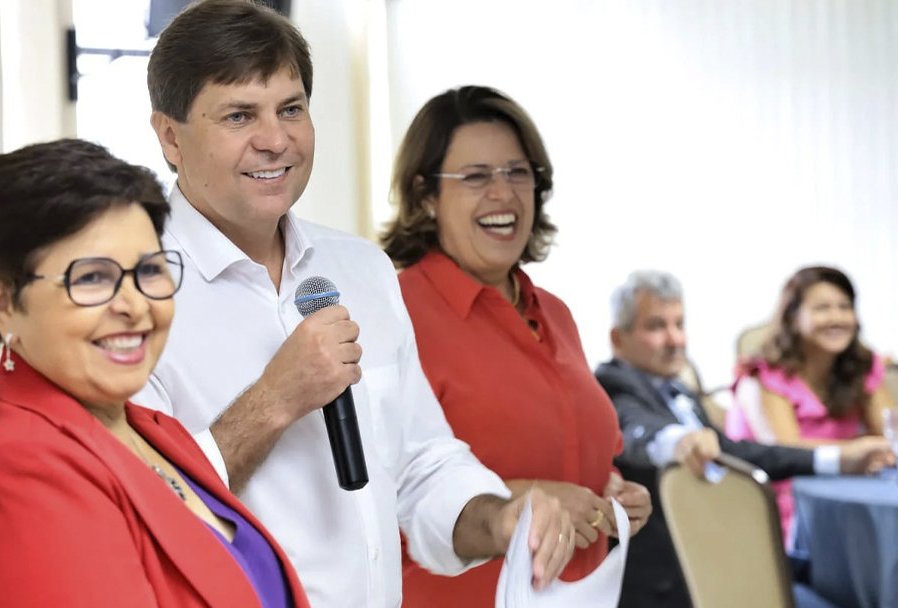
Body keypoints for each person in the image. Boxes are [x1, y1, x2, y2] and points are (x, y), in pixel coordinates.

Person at [137, 2, 575, 608]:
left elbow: (421, 462)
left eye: (291, 109)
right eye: (240, 115)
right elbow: (142, 506)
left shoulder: (360, 269)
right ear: (169, 136)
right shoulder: (133, 293)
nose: (275, 140)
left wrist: (499, 517)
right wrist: (274, 401)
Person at [0, 139, 312, 608]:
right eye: (91, 278)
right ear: (4, 303)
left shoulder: (152, 431)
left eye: (149, 270)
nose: (135, 305)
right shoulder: (14, 476)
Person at [378, 85, 651, 608]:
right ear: (426, 195)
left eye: (518, 173)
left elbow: (567, 444)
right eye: (476, 177)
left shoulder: (554, 311)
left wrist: (609, 491)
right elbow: (380, 493)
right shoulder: (394, 312)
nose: (502, 194)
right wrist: (522, 497)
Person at [594, 270, 895, 608]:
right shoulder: (610, 385)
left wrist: (836, 459)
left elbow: (737, 451)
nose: (675, 339)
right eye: (656, 327)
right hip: (671, 582)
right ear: (618, 339)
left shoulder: (677, 390)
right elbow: (636, 429)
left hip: (724, 552)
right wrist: (678, 440)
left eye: (679, 324)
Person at [725, 265, 897, 538]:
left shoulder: (861, 367)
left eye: (845, 307)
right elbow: (785, 450)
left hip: (846, 497)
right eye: (822, 308)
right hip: (777, 507)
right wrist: (856, 451)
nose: (837, 318)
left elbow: (889, 434)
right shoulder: (760, 376)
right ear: (793, 317)